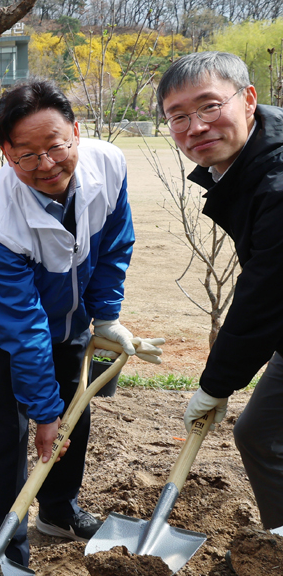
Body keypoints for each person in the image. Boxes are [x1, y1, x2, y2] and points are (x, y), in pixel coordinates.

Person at [0, 80, 162, 567]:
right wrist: (43, 415)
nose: (45, 164)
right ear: (6, 153)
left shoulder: (108, 165)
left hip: (70, 308)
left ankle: (58, 510)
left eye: (55, 146)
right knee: (11, 427)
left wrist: (105, 315)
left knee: (75, 411)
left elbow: (115, 242)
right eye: (26, 155)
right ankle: (5, 548)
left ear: (76, 132)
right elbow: (24, 332)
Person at [159, 51, 283, 532]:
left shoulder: (277, 183)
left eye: (209, 106)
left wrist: (215, 384)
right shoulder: (249, 162)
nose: (196, 127)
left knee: (264, 433)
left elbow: (265, 295)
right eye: (178, 117)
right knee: (261, 433)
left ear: (248, 99)